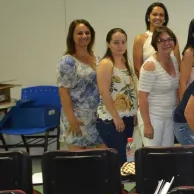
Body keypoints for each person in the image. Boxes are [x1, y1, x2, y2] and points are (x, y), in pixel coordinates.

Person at [58, 20, 102, 150]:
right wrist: (72, 120)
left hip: (96, 116)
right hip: (77, 118)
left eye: (87, 33)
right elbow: (63, 93)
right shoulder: (67, 61)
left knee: (101, 158)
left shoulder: (96, 58)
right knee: (79, 162)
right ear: (72, 36)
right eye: (79, 33)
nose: (84, 36)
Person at [96, 28, 138, 154]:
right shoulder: (106, 63)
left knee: (127, 155)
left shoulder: (126, 62)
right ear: (108, 44)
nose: (120, 46)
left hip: (127, 116)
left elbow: (130, 89)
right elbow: (104, 92)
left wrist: (133, 112)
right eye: (116, 42)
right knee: (117, 158)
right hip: (112, 119)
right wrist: (116, 117)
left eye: (123, 42)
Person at [138, 26, 180, 147]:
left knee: (167, 155)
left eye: (169, 39)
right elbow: (142, 98)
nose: (167, 43)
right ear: (155, 43)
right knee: (153, 157)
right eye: (162, 40)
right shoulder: (150, 65)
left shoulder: (174, 60)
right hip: (153, 117)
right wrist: (147, 124)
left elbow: (175, 89)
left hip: (169, 117)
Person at [133, 2, 180, 77]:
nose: (158, 17)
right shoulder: (140, 39)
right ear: (148, 17)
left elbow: (178, 66)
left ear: (165, 18)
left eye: (161, 15)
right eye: (155, 14)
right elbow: (137, 69)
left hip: (172, 84)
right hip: (150, 85)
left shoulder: (172, 38)